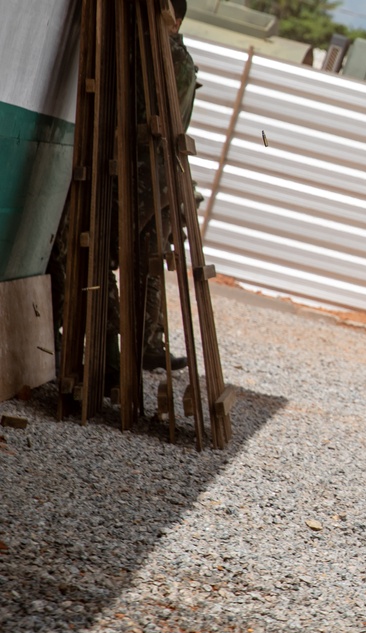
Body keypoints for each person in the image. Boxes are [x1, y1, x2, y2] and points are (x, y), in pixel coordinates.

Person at [137, 0, 201, 371]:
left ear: (174, 21)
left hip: (151, 174)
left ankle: (145, 342)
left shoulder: (171, 58)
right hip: (153, 174)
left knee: (147, 259)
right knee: (148, 258)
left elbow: (153, 117)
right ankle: (146, 341)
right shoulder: (164, 53)